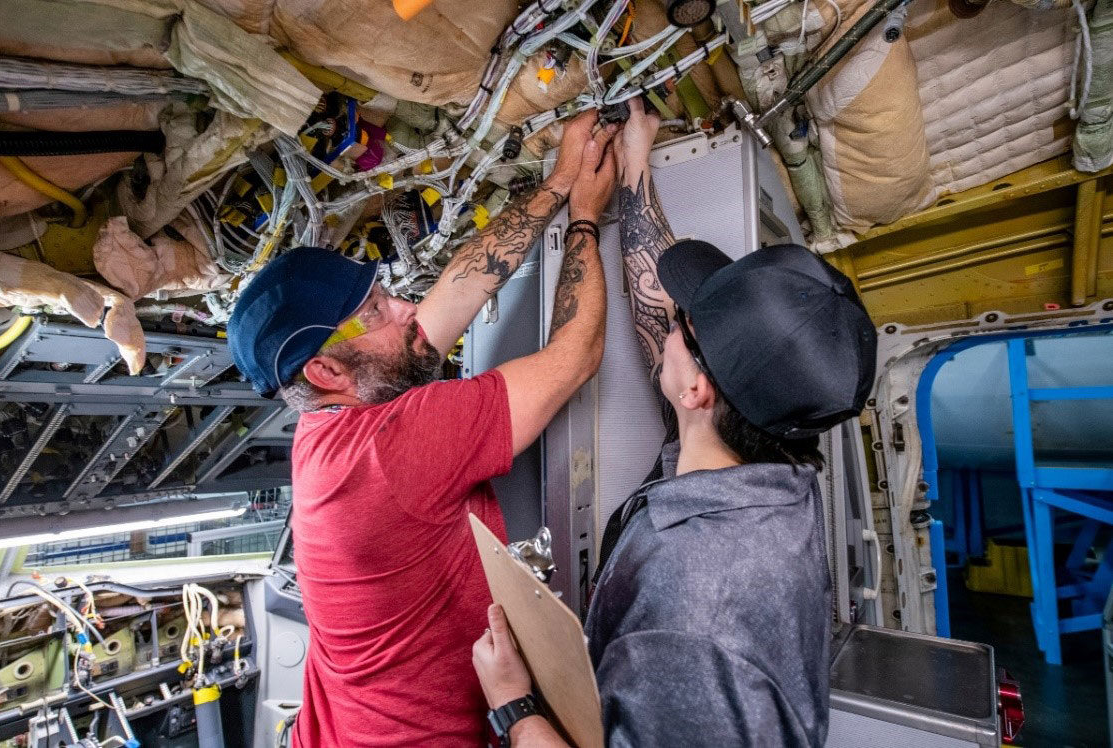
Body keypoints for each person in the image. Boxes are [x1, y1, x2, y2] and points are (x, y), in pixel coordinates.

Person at [472, 97, 877, 747]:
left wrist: (513, 704)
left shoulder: (690, 606)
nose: (669, 329)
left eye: (685, 330)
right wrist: (634, 166)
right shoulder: (771, 475)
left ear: (696, 391)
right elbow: (659, 308)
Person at [226, 110, 619, 747]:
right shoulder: (388, 452)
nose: (405, 307)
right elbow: (576, 356)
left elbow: (451, 297)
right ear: (326, 366)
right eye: (377, 309)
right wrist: (583, 215)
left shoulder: (329, 419)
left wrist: (559, 179)